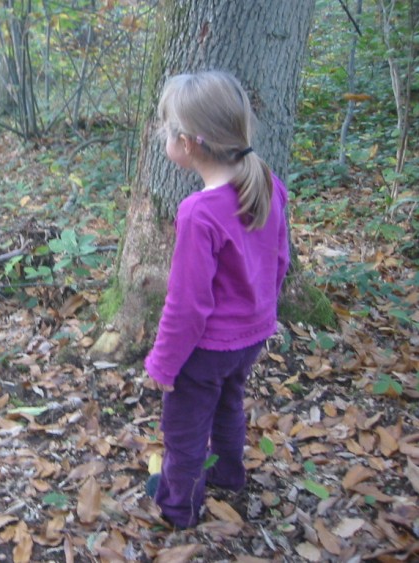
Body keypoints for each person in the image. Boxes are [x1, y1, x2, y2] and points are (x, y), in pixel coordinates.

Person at [144, 70, 290, 528]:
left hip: (205, 349)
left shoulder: (198, 213)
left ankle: (177, 508)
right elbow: (279, 260)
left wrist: (164, 365)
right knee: (229, 402)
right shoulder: (265, 180)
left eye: (167, 130)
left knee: (184, 430)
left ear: (187, 144)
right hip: (251, 337)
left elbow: (186, 305)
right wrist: (266, 313)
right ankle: (228, 474)